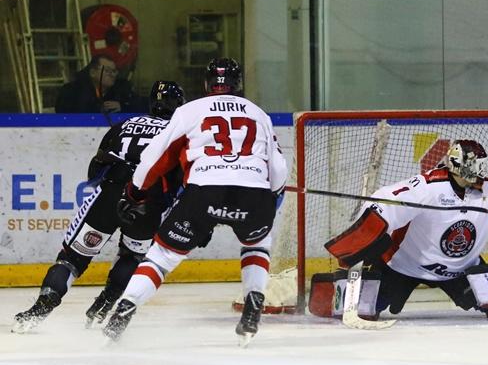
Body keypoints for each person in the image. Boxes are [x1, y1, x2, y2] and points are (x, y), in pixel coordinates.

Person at [104, 58, 287, 347]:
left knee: (162, 257)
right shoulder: (258, 113)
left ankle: (123, 312)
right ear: (239, 84)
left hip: (203, 192)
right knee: (257, 244)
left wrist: (135, 192)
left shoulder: (189, 111)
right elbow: (278, 169)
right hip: (253, 194)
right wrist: (271, 196)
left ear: (206, 83)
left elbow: (154, 157)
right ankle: (253, 309)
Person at [12, 80, 187, 333]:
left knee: (71, 259)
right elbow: (180, 179)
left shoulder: (125, 124)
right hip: (148, 201)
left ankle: (39, 309)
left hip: (110, 194)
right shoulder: (179, 134)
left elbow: (94, 170)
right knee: (132, 256)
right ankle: (104, 306)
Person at [319, 140, 488, 320]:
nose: (479, 171)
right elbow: (385, 200)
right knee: (364, 310)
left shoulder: (486, 190)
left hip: (459, 271)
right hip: (404, 267)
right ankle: (340, 290)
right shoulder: (428, 187)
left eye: (481, 165)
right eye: (474, 165)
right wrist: (371, 227)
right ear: (458, 164)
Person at [55, 55, 144, 113]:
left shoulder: (121, 89)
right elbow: (63, 112)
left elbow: (144, 105)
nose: (112, 75)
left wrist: (123, 107)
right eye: (107, 71)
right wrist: (97, 109)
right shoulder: (73, 90)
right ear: (93, 72)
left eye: (114, 71)